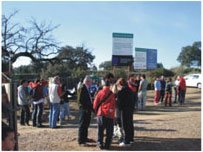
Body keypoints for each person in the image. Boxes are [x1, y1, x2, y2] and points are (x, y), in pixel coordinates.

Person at [93, 80, 116, 150]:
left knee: (100, 130)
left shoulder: (100, 92)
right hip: (109, 114)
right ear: (109, 86)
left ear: (103, 85)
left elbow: (95, 103)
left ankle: (100, 144)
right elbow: (114, 104)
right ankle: (107, 145)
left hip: (101, 113)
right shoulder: (112, 94)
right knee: (109, 131)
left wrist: (95, 110)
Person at [117, 78, 134, 146]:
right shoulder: (130, 90)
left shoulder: (121, 91)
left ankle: (127, 140)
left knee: (125, 125)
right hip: (130, 109)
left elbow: (119, 102)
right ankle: (131, 139)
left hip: (124, 110)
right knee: (130, 124)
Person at [77, 76, 93, 146]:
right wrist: (85, 108)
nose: (91, 83)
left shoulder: (86, 87)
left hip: (87, 109)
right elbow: (80, 100)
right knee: (82, 124)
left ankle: (85, 138)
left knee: (86, 124)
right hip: (84, 109)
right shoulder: (82, 88)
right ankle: (81, 141)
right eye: (90, 81)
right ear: (87, 82)